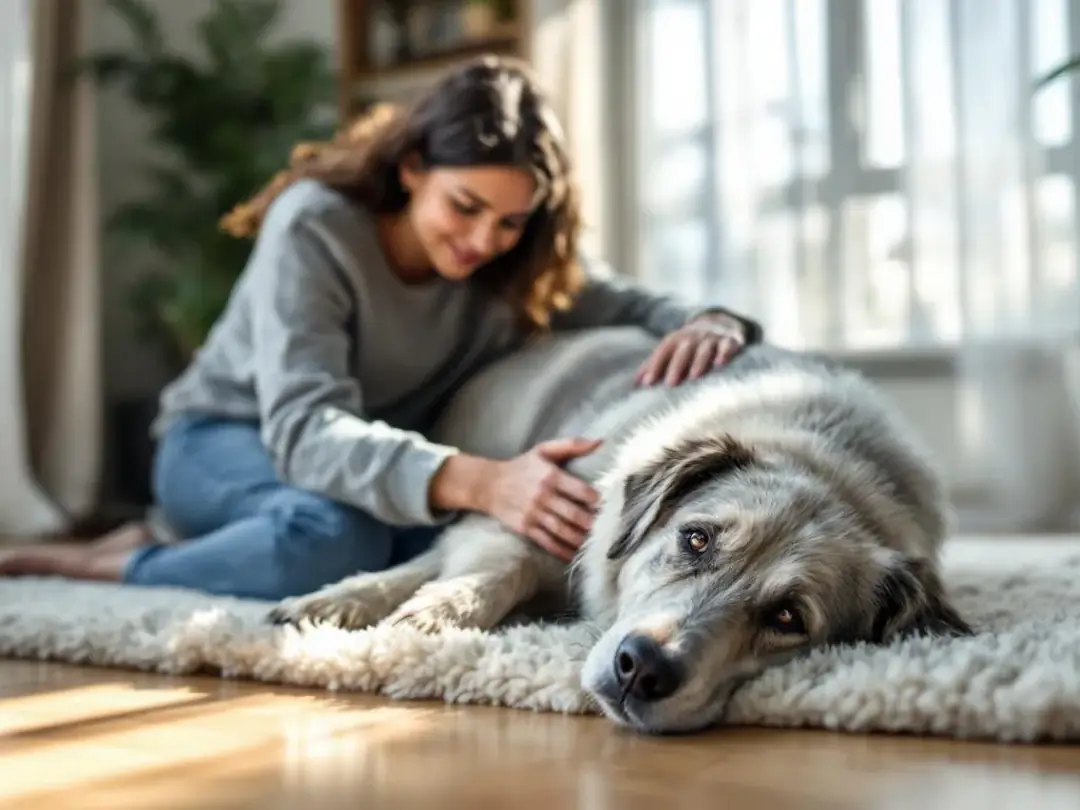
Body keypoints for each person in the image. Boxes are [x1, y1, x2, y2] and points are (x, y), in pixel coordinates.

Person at [0, 55, 763, 600]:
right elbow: (302, 431)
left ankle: (167, 543)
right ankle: (92, 567)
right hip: (223, 439)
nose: (481, 241)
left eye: (509, 221)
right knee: (340, 540)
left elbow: (635, 303)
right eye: (464, 206)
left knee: (430, 536)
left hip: (360, 467)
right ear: (411, 167)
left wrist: (714, 319)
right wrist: (488, 480)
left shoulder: (510, 265)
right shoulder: (317, 229)